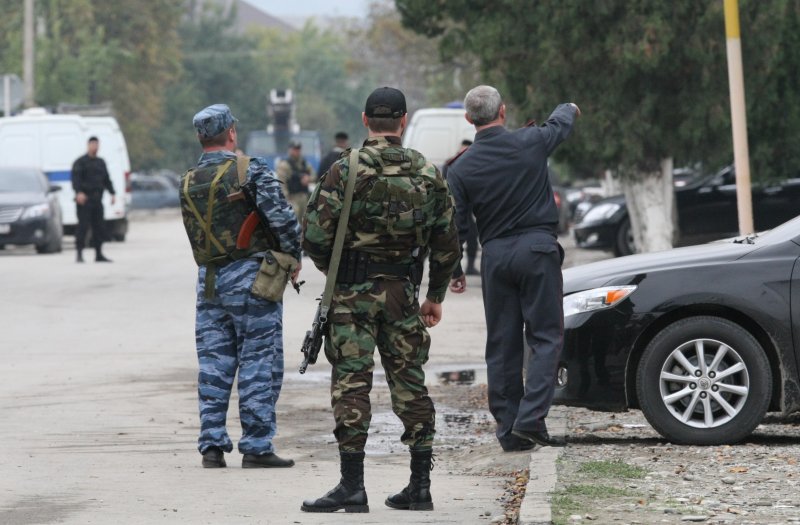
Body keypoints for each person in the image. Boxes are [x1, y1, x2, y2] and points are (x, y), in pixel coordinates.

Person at [301, 87, 461, 513]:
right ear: (403, 120)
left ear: (365, 119)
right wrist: (435, 295)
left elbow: (314, 235)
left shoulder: (345, 168)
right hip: (403, 296)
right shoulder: (428, 173)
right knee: (410, 383)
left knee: (352, 385)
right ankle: (420, 487)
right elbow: (448, 243)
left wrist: (338, 273)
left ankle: (352, 487)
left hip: (352, 297)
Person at [446, 85, 580, 452]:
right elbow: (560, 123)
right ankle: (531, 419)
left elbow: (454, 225)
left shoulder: (460, 168)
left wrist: (455, 270)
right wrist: (568, 104)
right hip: (537, 249)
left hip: (495, 257)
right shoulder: (531, 141)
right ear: (503, 111)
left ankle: (509, 430)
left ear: (469, 119)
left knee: (502, 344)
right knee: (545, 337)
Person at [180, 104, 302, 470]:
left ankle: (212, 446)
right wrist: (293, 257)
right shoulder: (250, 170)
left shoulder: (189, 178)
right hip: (252, 279)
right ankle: (257, 445)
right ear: (231, 132)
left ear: (201, 137)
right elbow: (282, 218)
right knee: (258, 359)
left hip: (210, 282)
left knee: (214, 365)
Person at [71, 136, 115, 263]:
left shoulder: (101, 162)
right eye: (93, 144)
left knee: (99, 227)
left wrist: (112, 193)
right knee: (82, 227)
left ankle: (99, 253)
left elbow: (106, 179)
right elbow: (75, 180)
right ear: (88, 145)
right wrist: (78, 192)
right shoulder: (80, 162)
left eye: (97, 145)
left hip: (97, 199)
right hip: (84, 200)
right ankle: (79, 253)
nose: (95, 147)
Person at [442, 139, 479, 275]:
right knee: (447, 237)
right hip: (450, 207)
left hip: (468, 208)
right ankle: (450, 268)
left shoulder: (474, 165)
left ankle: (469, 266)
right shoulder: (450, 164)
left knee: (472, 238)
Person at [276, 140, 315, 223]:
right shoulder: (284, 165)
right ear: (290, 150)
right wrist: (286, 199)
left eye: (298, 149)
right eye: (294, 149)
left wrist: (308, 179)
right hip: (292, 197)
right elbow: (282, 184)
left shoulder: (304, 163)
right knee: (294, 220)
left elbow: (314, 175)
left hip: (304, 196)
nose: (296, 151)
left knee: (305, 221)